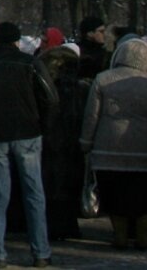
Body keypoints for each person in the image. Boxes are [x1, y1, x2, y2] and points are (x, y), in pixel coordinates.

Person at [0, 19, 57, 269]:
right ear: (17, 41)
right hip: (28, 133)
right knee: (34, 194)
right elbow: (50, 98)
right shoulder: (30, 64)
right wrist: (42, 126)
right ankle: (41, 252)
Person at [81, 35, 147, 251]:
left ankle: (120, 236)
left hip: (109, 147)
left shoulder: (103, 79)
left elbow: (91, 115)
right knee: (145, 197)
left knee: (115, 195)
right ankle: (143, 238)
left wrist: (86, 142)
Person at [37, 42, 89, 243]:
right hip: (73, 140)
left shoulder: (45, 87)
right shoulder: (81, 87)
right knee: (70, 182)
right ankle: (69, 224)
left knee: (50, 184)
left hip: (50, 139)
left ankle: (53, 224)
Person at [78, 14, 111, 78]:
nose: (105, 34)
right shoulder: (78, 53)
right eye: (101, 31)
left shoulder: (104, 53)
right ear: (90, 33)